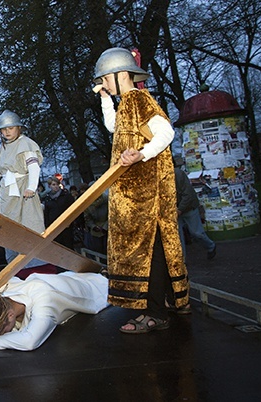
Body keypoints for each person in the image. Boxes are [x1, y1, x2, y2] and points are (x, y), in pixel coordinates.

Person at [95, 47, 189, 333]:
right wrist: (105, 100)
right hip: (135, 198)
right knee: (148, 254)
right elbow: (115, 127)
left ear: (121, 74)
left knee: (152, 255)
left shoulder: (138, 98)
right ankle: (160, 308)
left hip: (148, 197)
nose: (103, 83)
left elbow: (165, 132)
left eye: (106, 79)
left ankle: (156, 314)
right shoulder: (125, 104)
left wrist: (142, 154)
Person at [0, 271, 109, 351]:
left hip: (98, 287)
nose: (1, 335)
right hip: (62, 278)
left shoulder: (45, 301)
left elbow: (30, 341)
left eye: (0, 331)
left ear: (10, 316)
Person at [0, 110, 54, 277]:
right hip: (8, 191)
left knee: (28, 223)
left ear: (19, 128)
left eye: (10, 128)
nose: (7, 132)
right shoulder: (5, 147)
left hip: (23, 189)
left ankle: (37, 267)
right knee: (10, 226)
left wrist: (31, 187)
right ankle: (15, 265)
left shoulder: (26, 143)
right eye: (3, 129)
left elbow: (34, 167)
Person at [174, 161, 217, 260]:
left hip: (188, 207)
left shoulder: (178, 174)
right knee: (178, 237)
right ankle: (182, 261)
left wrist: (180, 209)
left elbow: (187, 194)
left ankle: (210, 246)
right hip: (176, 208)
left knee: (196, 233)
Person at [43, 176, 75, 250]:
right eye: (53, 185)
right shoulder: (47, 199)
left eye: (57, 184)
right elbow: (46, 215)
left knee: (68, 247)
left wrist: (70, 221)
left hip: (66, 226)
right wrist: (47, 228)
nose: (56, 186)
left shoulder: (66, 196)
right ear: (49, 186)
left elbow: (72, 209)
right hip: (54, 227)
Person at [83, 184, 109, 255]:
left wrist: (105, 227)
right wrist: (93, 226)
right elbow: (87, 217)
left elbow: (112, 214)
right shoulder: (88, 203)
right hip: (95, 230)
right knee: (97, 251)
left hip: (107, 228)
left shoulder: (107, 200)